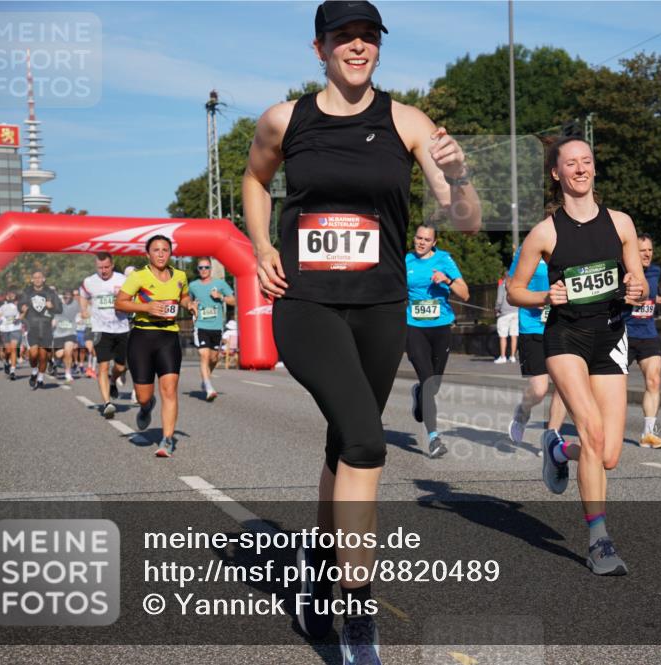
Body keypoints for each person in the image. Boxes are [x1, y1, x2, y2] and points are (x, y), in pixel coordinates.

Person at [242, 1, 481, 659]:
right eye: (343, 36)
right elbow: (255, 180)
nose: (357, 46)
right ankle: (357, 611)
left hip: (381, 308)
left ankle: (318, 575)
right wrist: (260, 244)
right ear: (318, 48)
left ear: (379, 46)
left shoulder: (407, 122)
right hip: (307, 302)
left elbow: (461, 216)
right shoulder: (285, 120)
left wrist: (458, 177)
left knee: (344, 443)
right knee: (369, 443)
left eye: (368, 36)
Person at [508, 136, 646, 576]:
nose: (581, 169)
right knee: (590, 430)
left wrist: (637, 289)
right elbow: (514, 290)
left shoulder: (621, 224)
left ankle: (556, 448)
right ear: (557, 173)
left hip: (609, 336)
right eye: (572, 163)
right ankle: (599, 541)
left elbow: (638, 280)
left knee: (606, 455)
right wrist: (544, 295)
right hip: (565, 338)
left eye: (587, 161)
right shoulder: (545, 233)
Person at [115, 236, 194, 457]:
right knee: (143, 395)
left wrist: (190, 304)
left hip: (168, 337)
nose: (161, 254)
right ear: (147, 254)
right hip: (142, 338)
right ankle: (146, 406)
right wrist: (147, 307)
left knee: (169, 390)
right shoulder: (139, 277)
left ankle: (167, 439)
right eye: (156, 250)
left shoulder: (180, 276)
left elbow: (184, 297)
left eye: (165, 250)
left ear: (170, 253)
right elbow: (119, 303)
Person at [405, 222, 469, 458]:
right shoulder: (406, 262)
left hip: (440, 328)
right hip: (414, 328)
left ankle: (419, 394)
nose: (421, 242)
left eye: (426, 239)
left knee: (433, 385)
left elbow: (465, 293)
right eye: (418, 238)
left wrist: (447, 281)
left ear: (434, 242)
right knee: (429, 382)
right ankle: (433, 438)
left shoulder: (444, 260)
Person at [506, 245, 570, 454]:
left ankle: (551, 438)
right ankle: (523, 411)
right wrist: (539, 298)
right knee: (540, 390)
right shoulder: (528, 248)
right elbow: (510, 285)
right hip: (533, 327)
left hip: (564, 327)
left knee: (564, 387)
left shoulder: (573, 245)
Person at [626, 233, 661, 449]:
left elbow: (650, 297)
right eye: (642, 250)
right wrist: (624, 298)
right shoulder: (624, 272)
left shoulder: (655, 271)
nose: (647, 254)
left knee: (654, 380)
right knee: (612, 387)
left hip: (647, 333)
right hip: (624, 335)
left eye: (650, 250)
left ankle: (648, 433)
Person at [80, 252, 131, 419]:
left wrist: (125, 306)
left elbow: (131, 298)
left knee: (120, 367)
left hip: (121, 328)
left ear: (112, 265)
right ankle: (107, 403)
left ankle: (112, 381)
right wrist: (83, 309)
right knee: (102, 366)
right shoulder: (89, 281)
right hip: (100, 329)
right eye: (100, 267)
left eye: (106, 267)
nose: (103, 271)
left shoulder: (122, 280)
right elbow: (83, 294)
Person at [188, 258, 236, 401]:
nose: (203, 270)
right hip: (201, 325)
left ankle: (206, 378)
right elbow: (188, 302)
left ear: (210, 269)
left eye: (206, 267)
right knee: (204, 355)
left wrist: (220, 297)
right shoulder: (193, 285)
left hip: (216, 327)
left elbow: (233, 300)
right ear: (198, 269)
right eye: (201, 268)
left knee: (214, 358)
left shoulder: (219, 284)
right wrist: (192, 306)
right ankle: (208, 387)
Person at [18, 271, 62, 390]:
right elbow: (20, 305)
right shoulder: (27, 292)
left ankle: (41, 378)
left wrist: (52, 306)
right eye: (35, 278)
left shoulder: (50, 292)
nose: (37, 279)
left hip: (46, 327)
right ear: (32, 280)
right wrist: (21, 307)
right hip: (32, 327)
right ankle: (34, 372)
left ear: (44, 279)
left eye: (40, 277)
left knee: (43, 356)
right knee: (33, 353)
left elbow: (60, 308)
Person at [52, 290, 80, 382]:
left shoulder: (75, 306)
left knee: (68, 352)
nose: (67, 298)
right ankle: (56, 361)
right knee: (60, 354)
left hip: (70, 333)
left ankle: (68, 373)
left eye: (69, 297)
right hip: (58, 334)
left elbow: (80, 314)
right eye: (65, 297)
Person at [493, 267, 518, 363]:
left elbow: (499, 300)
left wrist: (496, 309)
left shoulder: (502, 284)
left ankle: (503, 356)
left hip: (504, 313)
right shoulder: (516, 285)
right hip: (515, 311)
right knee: (514, 335)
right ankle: (512, 356)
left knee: (503, 336)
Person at [0, 291, 22, 380]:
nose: (11, 296)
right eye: (9, 294)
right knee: (8, 351)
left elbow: (23, 313)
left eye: (13, 294)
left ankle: (12, 371)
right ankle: (6, 361)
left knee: (13, 349)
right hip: (4, 329)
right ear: (6, 296)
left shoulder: (19, 304)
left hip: (15, 328)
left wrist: (20, 317)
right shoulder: (0, 304)